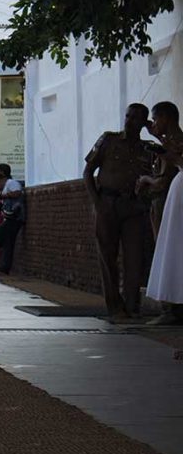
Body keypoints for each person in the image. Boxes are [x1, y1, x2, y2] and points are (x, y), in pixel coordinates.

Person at [83, 104, 155, 319]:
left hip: (133, 206)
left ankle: (131, 305)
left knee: (134, 258)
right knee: (108, 256)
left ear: (144, 122)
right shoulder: (109, 140)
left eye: (136, 118)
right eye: (128, 116)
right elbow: (88, 171)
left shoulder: (148, 148)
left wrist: (155, 134)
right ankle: (115, 306)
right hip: (107, 201)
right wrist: (96, 201)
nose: (129, 121)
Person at [142, 102, 183, 325]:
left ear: (166, 117)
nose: (154, 124)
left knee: (170, 250)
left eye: (156, 119)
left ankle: (170, 309)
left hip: (172, 195)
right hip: (170, 198)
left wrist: (147, 180)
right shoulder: (169, 142)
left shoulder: (176, 142)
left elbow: (176, 161)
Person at [0, 163, 25, 275]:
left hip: (15, 217)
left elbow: (17, 193)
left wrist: (3, 195)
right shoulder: (5, 187)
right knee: (7, 242)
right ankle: (3, 268)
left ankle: (3, 267)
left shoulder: (11, 183)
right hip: (10, 217)